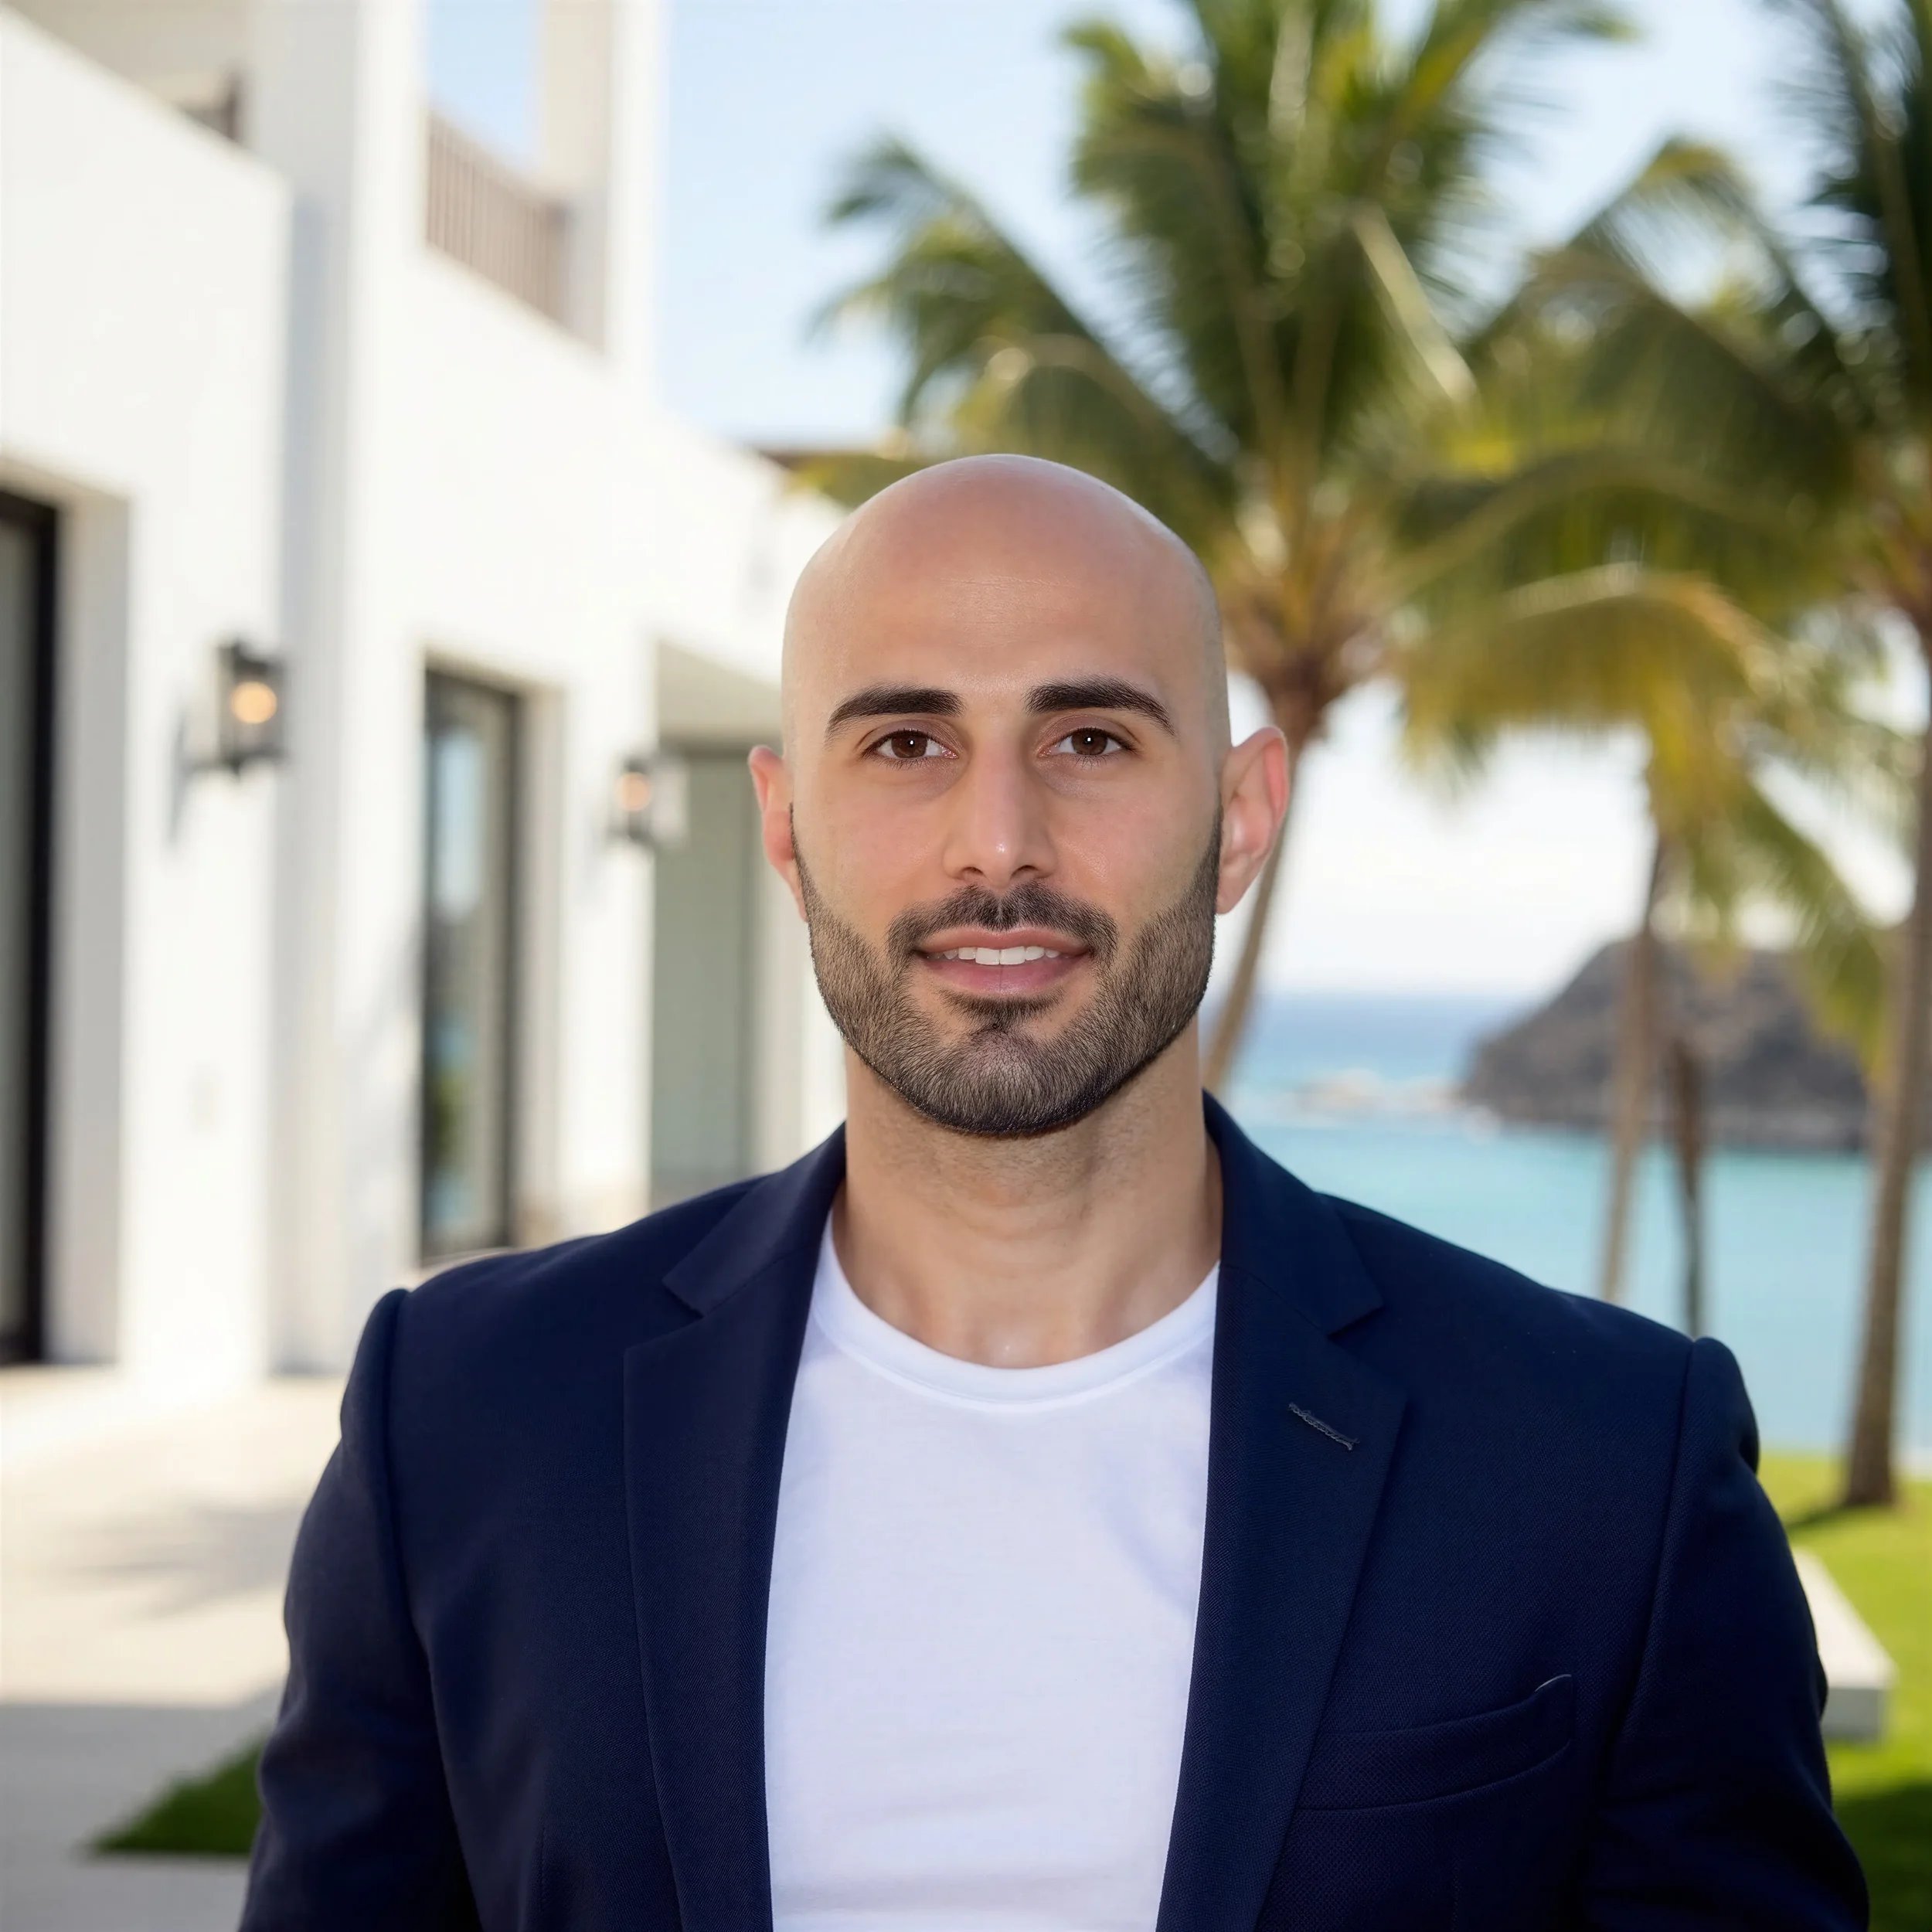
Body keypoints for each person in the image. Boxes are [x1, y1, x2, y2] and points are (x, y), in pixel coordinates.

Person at [241, 454, 1865, 1930]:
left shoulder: (1600, 1461)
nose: (994, 841)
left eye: (1087, 737)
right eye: (904, 739)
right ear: (785, 825)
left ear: (1237, 821)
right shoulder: (458, 1421)